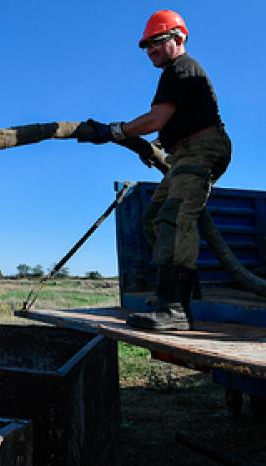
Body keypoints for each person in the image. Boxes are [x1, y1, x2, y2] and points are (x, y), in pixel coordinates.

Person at [76, 10, 232, 330]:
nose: (151, 51)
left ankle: (175, 308)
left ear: (178, 39)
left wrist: (114, 131)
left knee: (174, 216)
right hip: (184, 151)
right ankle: (181, 291)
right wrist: (158, 146)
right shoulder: (175, 73)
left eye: (156, 43)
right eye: (147, 47)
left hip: (202, 150)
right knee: (154, 217)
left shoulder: (182, 69)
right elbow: (169, 124)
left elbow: (155, 119)